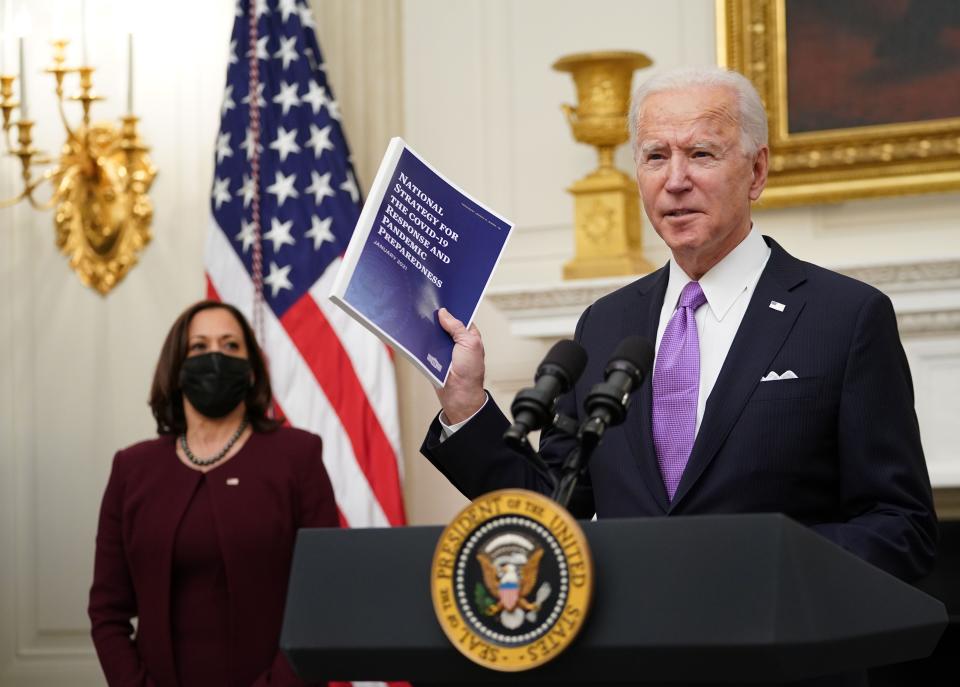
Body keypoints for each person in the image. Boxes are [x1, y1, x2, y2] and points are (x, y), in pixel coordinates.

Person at [420, 66, 937, 584]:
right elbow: (550, 515)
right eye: (656, 157)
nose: (675, 181)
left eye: (701, 154)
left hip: (775, 651)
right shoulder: (605, 325)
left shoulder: (844, 318)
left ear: (756, 172)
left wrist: (753, 563)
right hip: (637, 657)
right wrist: (465, 405)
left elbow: (900, 530)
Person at [89, 301, 337, 686]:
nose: (216, 357)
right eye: (199, 347)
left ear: (252, 370)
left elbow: (324, 598)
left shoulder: (298, 457)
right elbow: (107, 611)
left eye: (230, 346)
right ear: (176, 368)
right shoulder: (132, 469)